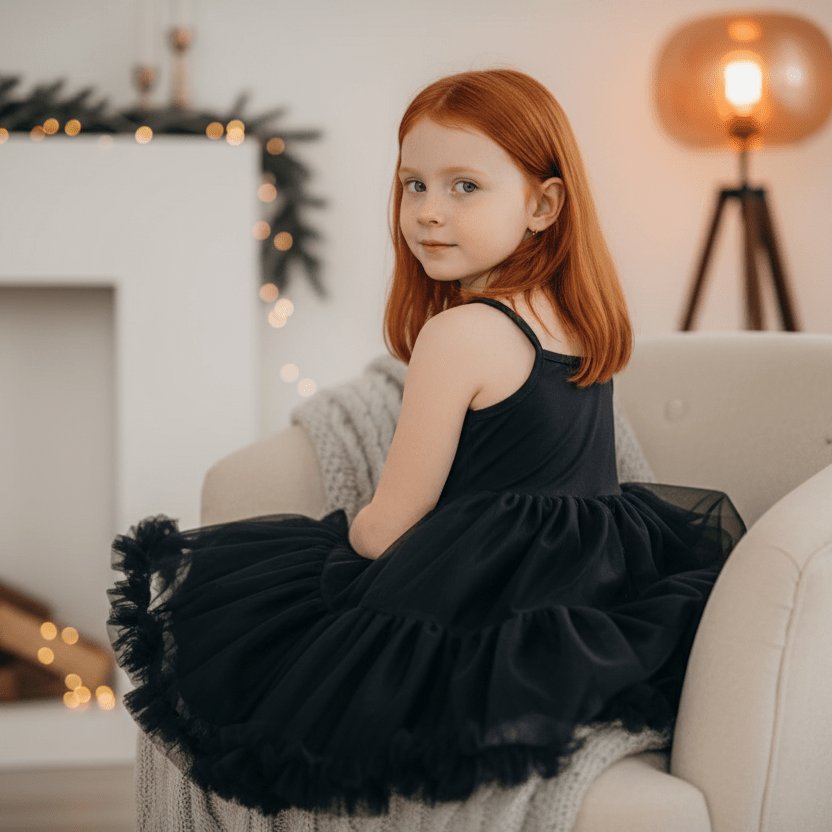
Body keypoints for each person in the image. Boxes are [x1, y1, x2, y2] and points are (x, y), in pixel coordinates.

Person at [108, 68, 744, 818]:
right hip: (590, 580)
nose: (429, 214)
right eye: (414, 184)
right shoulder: (576, 322)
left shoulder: (459, 334)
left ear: (543, 204)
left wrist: (339, 542)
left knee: (221, 631)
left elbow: (391, 526)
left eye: (464, 187)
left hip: (486, 591)